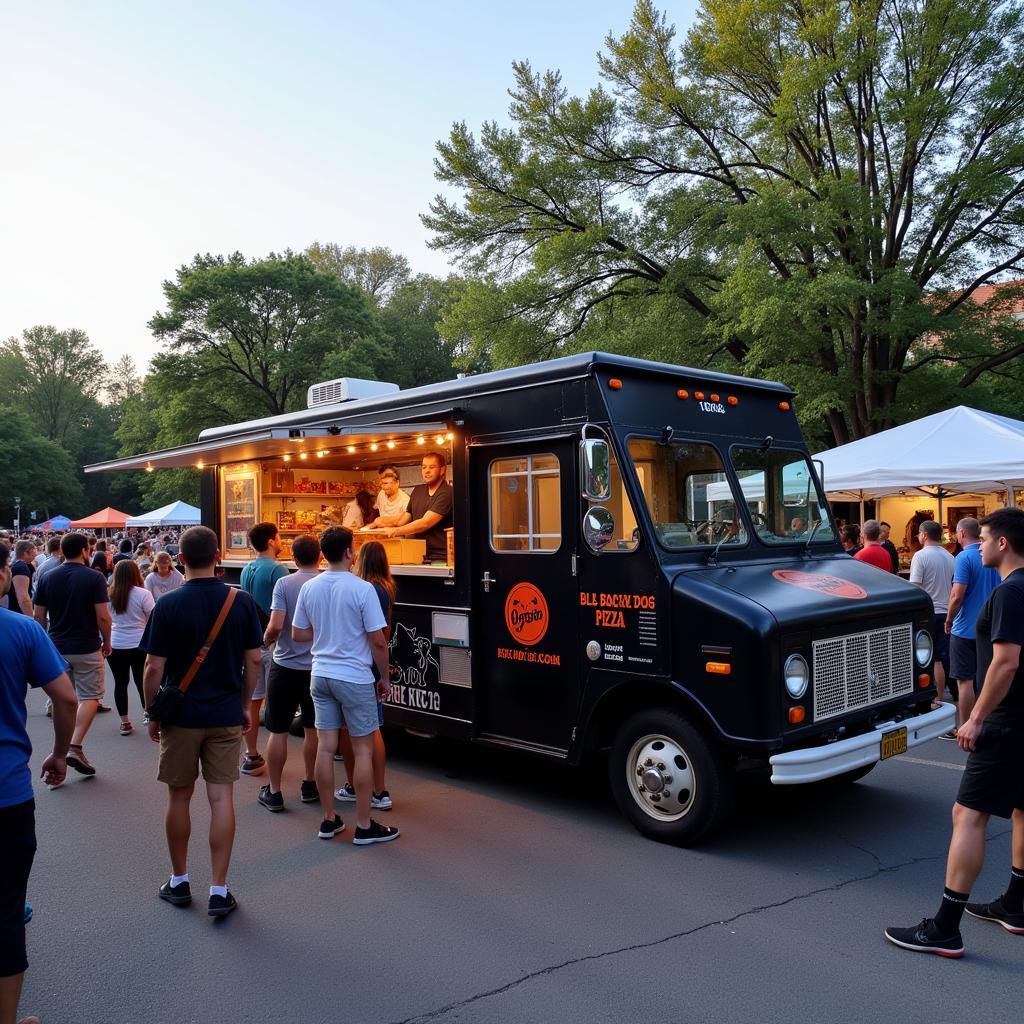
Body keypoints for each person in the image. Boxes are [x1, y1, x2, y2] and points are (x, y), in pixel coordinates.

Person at [885, 508, 1024, 956]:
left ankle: (945, 927)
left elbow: (1005, 661)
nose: (977, 545)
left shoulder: (1010, 593)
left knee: (967, 816)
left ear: (1002, 543)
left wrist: (977, 716)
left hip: (1006, 720)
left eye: (982, 538)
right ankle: (1016, 906)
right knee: (1022, 810)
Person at [141, 525, 263, 918]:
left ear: (180, 559)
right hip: (226, 712)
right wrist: (245, 703)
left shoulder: (169, 604)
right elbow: (255, 659)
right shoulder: (240, 603)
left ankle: (178, 881)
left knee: (178, 796)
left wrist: (152, 710)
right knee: (221, 798)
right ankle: (218, 888)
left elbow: (152, 667)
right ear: (217, 558)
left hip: (180, 716)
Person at [0, 541, 77, 1024]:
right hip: (7, 794)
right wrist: (59, 752)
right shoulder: (22, 631)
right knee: (6, 914)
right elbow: (66, 699)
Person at [292, 526, 399, 845]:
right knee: (363, 748)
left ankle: (329, 819)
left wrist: (328, 634)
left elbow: (298, 633)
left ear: (323, 553)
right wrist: (384, 677)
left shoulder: (309, 588)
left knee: (326, 746)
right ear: (350, 552)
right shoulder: (362, 589)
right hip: (353, 676)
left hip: (320, 674)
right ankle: (364, 825)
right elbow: (378, 642)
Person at [32, 533, 112, 777]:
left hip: (56, 646)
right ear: (85, 551)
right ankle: (74, 746)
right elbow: (102, 616)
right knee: (91, 696)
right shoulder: (94, 578)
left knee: (61, 700)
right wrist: (107, 641)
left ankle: (61, 749)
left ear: (62, 551)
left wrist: (43, 645)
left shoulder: (47, 576)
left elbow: (38, 617)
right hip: (87, 646)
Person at [257, 534, 321, 813]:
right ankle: (309, 783)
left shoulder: (285, 583)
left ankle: (275, 791)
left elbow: (275, 625)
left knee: (278, 730)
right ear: (320, 556)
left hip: (284, 665)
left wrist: (265, 642)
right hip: (316, 667)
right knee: (312, 729)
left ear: (293, 558)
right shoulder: (324, 583)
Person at [336, 540, 395, 811]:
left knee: (352, 730)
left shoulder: (365, 589)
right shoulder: (386, 587)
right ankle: (379, 790)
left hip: (361, 665)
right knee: (374, 728)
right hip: (374, 663)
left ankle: (356, 786)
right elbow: (384, 634)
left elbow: (373, 636)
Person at [238, 522, 288, 777]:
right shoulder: (278, 570)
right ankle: (276, 759)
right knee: (276, 703)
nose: (281, 542)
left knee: (253, 701)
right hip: (274, 643)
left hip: (252, 642)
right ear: (271, 541)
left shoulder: (247, 569)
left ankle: (251, 754)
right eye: (279, 537)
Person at [945, 517, 1001, 727]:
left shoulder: (963, 557)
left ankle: (966, 726)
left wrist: (949, 618)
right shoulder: (995, 553)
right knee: (988, 679)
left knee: (965, 680)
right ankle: (987, 721)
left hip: (966, 628)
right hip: (992, 625)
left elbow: (957, 595)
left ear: (961, 533)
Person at [909, 520, 956, 734]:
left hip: (928, 613)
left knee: (930, 658)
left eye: (918, 533)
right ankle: (942, 695)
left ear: (924, 534)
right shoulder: (950, 556)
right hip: (946, 610)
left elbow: (915, 587)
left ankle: (935, 699)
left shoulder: (920, 556)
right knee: (940, 657)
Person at [107, 559, 155, 736]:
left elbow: (104, 620)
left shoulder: (108, 595)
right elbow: (152, 620)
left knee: (120, 683)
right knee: (142, 680)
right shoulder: (143, 594)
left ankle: (124, 722)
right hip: (139, 643)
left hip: (115, 643)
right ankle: (148, 714)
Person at [382, 451, 453, 563]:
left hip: (439, 558)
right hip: (416, 555)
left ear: (442, 470)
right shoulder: (417, 491)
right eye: (424, 467)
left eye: (432, 467)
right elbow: (404, 519)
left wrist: (395, 531)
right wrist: (377, 528)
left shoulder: (447, 492)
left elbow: (426, 523)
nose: (427, 471)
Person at [6, 541, 36, 616]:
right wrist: (31, 619)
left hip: (17, 612)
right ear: (26, 553)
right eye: (33, 552)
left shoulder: (18, 565)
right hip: (19, 613)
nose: (35, 555)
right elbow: (23, 598)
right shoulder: (21, 568)